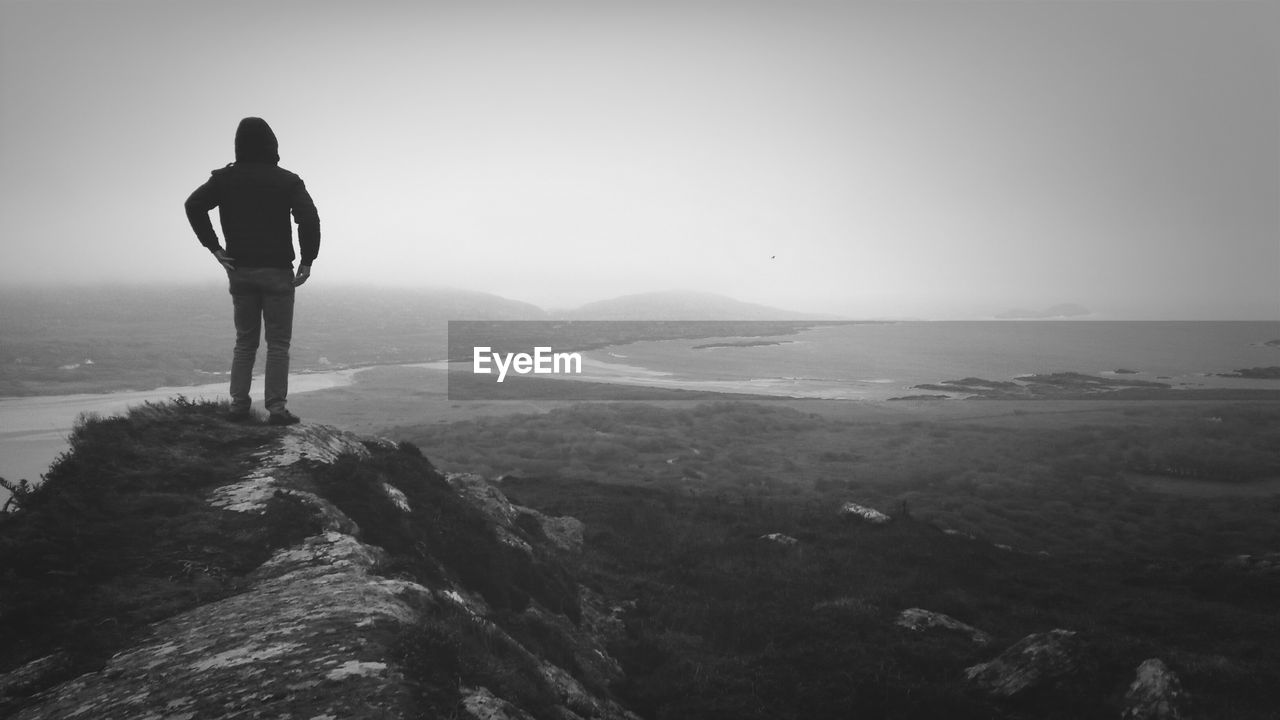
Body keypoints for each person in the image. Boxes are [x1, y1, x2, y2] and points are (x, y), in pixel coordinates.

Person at [185, 117, 320, 425]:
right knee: (278, 344)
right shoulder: (286, 180)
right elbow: (309, 219)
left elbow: (193, 205)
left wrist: (215, 248)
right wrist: (307, 259)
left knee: (245, 341)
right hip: (277, 272)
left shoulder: (224, 180)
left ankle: (238, 406)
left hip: (241, 270)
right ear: (272, 145)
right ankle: (276, 409)